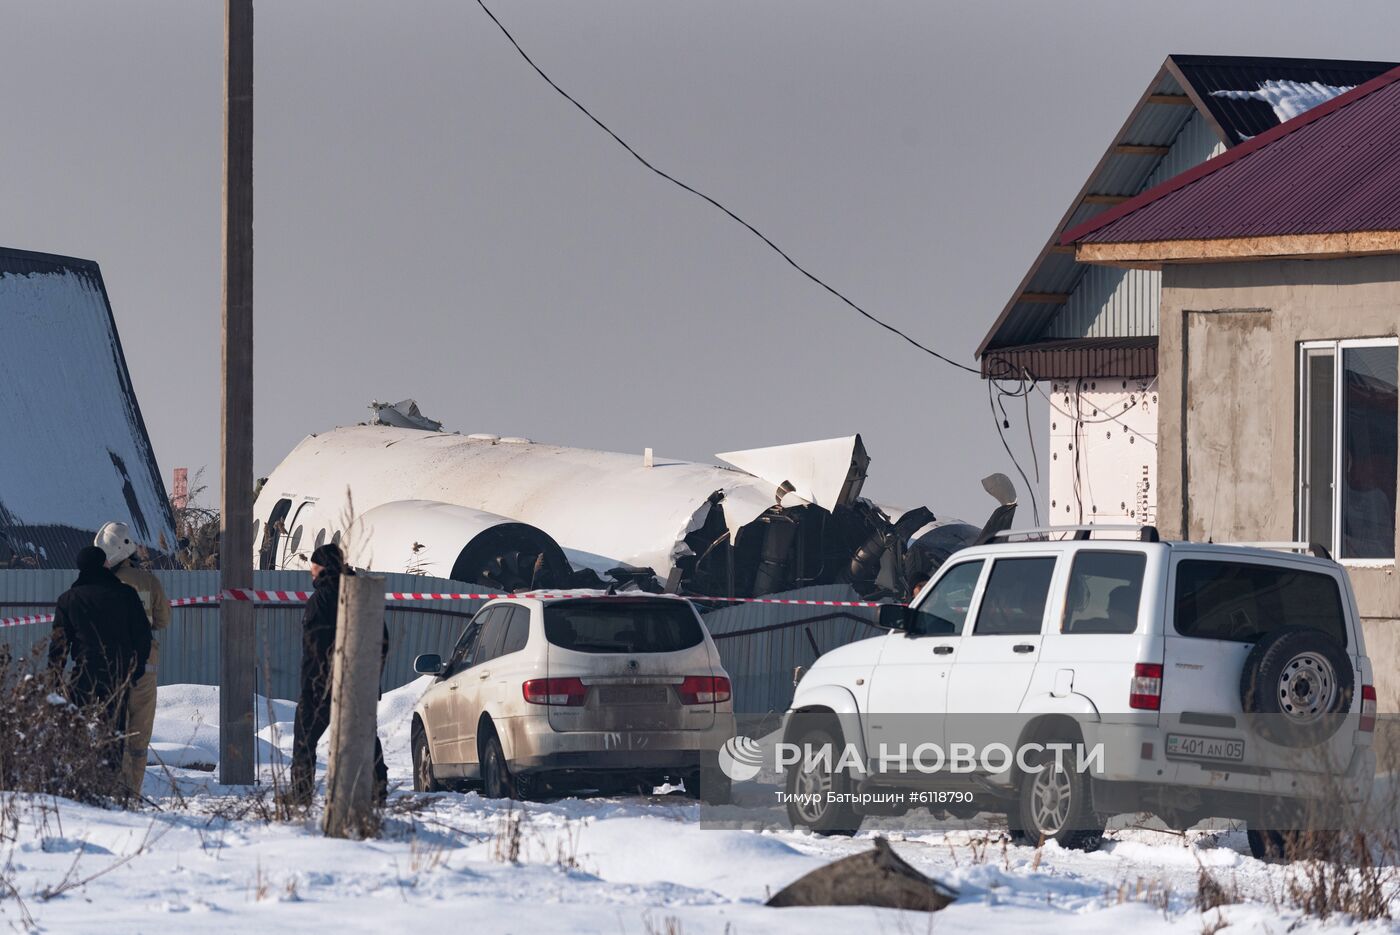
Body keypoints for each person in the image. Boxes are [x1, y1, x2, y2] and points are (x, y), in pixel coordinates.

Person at [288, 542, 389, 804]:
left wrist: (311, 684)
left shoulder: (321, 599)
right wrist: (370, 678)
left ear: (323, 567)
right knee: (364, 738)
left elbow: (314, 648)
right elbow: (383, 640)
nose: (311, 570)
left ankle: (300, 797)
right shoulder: (360, 594)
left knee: (304, 742)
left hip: (320, 686)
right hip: (356, 683)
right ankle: (377, 791)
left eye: (314, 565)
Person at [48, 545, 152, 780]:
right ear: (105, 564)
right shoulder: (126, 595)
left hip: (84, 672)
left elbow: (59, 645)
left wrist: (53, 680)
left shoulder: (69, 599)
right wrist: (136, 670)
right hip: (118, 672)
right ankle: (110, 780)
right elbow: (143, 636)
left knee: (77, 725)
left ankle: (78, 776)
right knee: (113, 729)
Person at [95, 521, 172, 796]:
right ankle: (130, 795)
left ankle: (107, 792)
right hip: (144, 668)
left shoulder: (99, 582)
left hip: (108, 667)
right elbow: (162, 620)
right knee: (138, 739)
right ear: (127, 548)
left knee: (110, 731)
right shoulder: (148, 581)